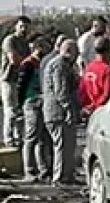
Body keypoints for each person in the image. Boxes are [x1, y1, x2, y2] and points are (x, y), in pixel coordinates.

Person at [42, 39, 81, 186]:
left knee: (68, 145)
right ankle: (59, 177)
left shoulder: (64, 65)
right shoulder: (60, 65)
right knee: (62, 145)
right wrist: (68, 108)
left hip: (58, 111)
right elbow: (61, 91)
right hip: (57, 112)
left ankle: (67, 175)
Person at [16, 38, 51, 182]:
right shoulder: (28, 64)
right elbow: (20, 86)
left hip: (43, 102)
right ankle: (29, 170)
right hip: (32, 103)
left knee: (43, 138)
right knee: (31, 138)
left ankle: (43, 169)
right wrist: (20, 104)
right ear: (37, 48)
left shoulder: (43, 63)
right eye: (43, 48)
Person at [2, 16, 33, 147]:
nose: (23, 29)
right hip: (9, 79)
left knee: (19, 111)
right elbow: (14, 59)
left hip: (21, 79)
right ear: (16, 26)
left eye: (26, 27)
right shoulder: (10, 40)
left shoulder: (25, 42)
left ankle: (17, 137)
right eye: (21, 26)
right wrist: (26, 60)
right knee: (10, 110)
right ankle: (8, 138)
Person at [79, 37, 110, 115]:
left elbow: (82, 91)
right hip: (102, 112)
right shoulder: (108, 69)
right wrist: (94, 107)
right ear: (109, 50)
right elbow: (108, 94)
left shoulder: (89, 67)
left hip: (88, 111)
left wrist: (86, 107)